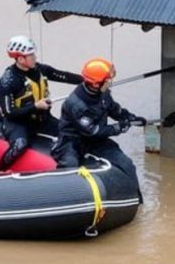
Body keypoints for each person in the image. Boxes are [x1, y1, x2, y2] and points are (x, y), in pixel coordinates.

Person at [51, 57, 146, 196]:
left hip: (96, 141)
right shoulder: (76, 104)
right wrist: (118, 128)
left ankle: (136, 199)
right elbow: (92, 131)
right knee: (70, 167)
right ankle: (65, 197)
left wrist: (131, 118)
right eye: (107, 81)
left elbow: (114, 109)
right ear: (96, 84)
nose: (109, 83)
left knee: (127, 164)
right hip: (73, 140)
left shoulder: (103, 93)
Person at [0, 35, 83, 171]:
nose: (35, 58)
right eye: (31, 55)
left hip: (41, 119)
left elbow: (61, 75)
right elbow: (9, 112)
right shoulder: (8, 81)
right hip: (18, 123)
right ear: (20, 59)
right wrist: (35, 106)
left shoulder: (39, 69)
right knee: (20, 145)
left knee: (69, 132)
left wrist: (85, 80)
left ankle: (71, 162)